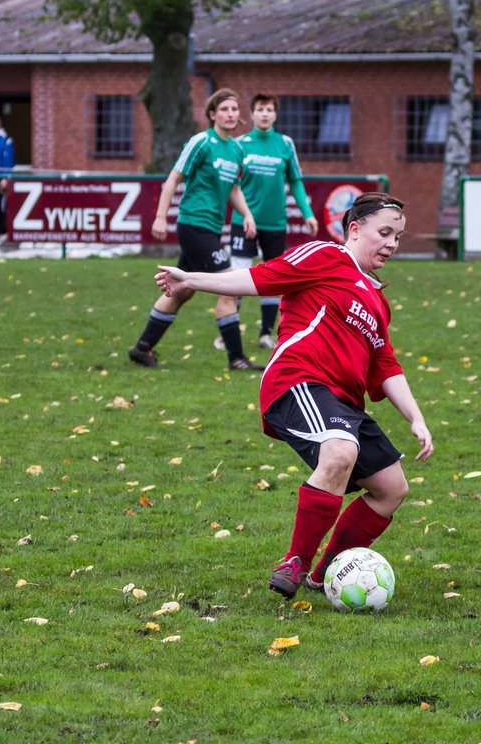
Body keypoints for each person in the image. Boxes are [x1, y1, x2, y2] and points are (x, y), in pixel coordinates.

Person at [155, 191, 434, 598]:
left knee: (392, 488)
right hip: (298, 381)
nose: (392, 244)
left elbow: (386, 364)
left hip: (342, 403)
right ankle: (295, 562)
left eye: (398, 237)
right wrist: (192, 278)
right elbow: (258, 278)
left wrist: (416, 417)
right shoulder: (325, 256)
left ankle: (325, 576)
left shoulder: (377, 300)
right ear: (355, 230)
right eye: (385, 233)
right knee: (339, 452)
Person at [128, 88, 262, 371]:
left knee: (181, 290)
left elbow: (234, 189)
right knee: (230, 287)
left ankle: (142, 348)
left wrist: (247, 215)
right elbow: (173, 178)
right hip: (193, 225)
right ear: (212, 115)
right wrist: (161, 216)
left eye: (234, 110)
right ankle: (236, 358)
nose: (230, 114)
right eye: (224, 109)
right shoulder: (201, 142)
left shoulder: (237, 150)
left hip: (211, 229)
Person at [220, 93, 319, 351]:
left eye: (269, 110)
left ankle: (266, 333)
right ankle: (228, 331)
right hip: (245, 222)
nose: (265, 114)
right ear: (252, 114)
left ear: (275, 115)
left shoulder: (285, 143)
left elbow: (296, 181)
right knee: (237, 275)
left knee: (274, 278)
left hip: (275, 223)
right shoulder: (240, 144)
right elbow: (231, 184)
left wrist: (307, 213)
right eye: (260, 109)